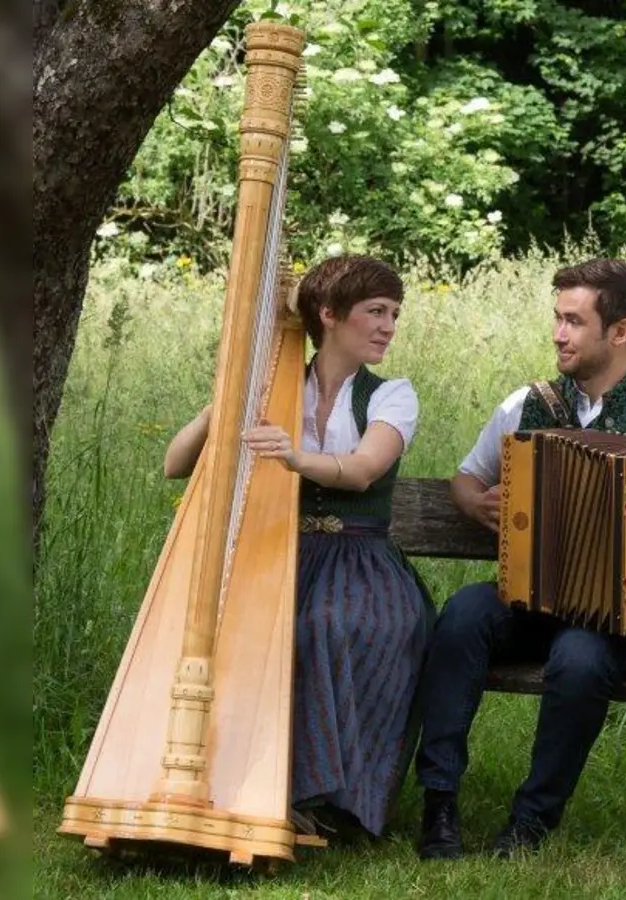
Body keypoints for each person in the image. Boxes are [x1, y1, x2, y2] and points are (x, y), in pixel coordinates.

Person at [413, 257, 626, 859]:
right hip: (535, 596)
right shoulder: (525, 405)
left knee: (580, 658)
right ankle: (438, 803)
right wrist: (476, 505)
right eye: (557, 319)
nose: (558, 334)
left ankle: (530, 823)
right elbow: (466, 477)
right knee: (463, 614)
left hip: (624, 616)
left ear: (620, 332)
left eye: (573, 321)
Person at [162, 253, 434, 841]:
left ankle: (324, 801)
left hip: (363, 564)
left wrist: (294, 457)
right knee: (239, 628)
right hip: (280, 556)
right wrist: (227, 396)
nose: (389, 325)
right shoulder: (276, 386)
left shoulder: (392, 397)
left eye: (394, 313)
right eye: (376, 311)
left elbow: (363, 470)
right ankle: (241, 786)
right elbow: (174, 465)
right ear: (330, 315)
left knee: (325, 625)